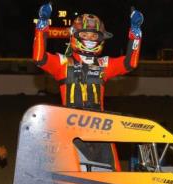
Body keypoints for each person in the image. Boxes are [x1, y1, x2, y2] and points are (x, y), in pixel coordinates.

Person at [33, 3, 144, 171]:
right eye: (85, 34)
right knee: (69, 179)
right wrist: (42, 25)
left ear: (101, 38)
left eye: (94, 36)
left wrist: (135, 34)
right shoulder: (63, 63)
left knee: (112, 177)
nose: (90, 39)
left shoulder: (103, 64)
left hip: (100, 130)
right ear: (75, 35)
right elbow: (39, 58)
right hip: (70, 131)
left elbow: (130, 63)